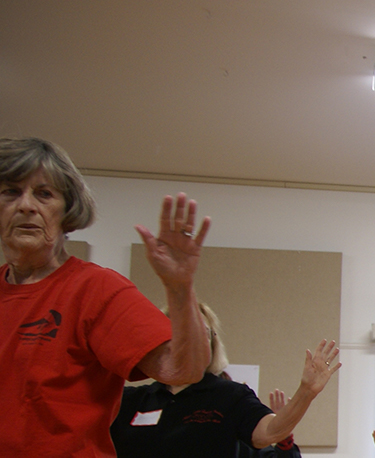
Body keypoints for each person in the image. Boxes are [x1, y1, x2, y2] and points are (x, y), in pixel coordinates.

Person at [0, 137, 214, 457]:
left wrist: (180, 287)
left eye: (44, 194)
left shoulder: (95, 289)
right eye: (11, 192)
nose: (27, 205)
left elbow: (182, 370)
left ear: (67, 210)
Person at [110, 303, 341, 457]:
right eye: (182, 331)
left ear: (212, 343)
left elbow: (269, 432)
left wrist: (306, 392)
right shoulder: (130, 400)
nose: (192, 341)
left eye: (202, 333)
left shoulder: (230, 396)